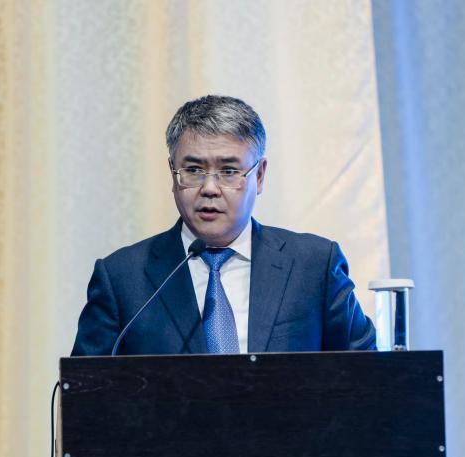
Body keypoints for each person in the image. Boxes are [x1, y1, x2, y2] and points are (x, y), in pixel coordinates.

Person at [71, 95, 375, 356]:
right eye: (193, 170)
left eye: (229, 171)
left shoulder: (314, 266)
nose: (209, 188)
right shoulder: (123, 278)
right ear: (173, 173)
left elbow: (367, 376)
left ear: (259, 176)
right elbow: (85, 395)